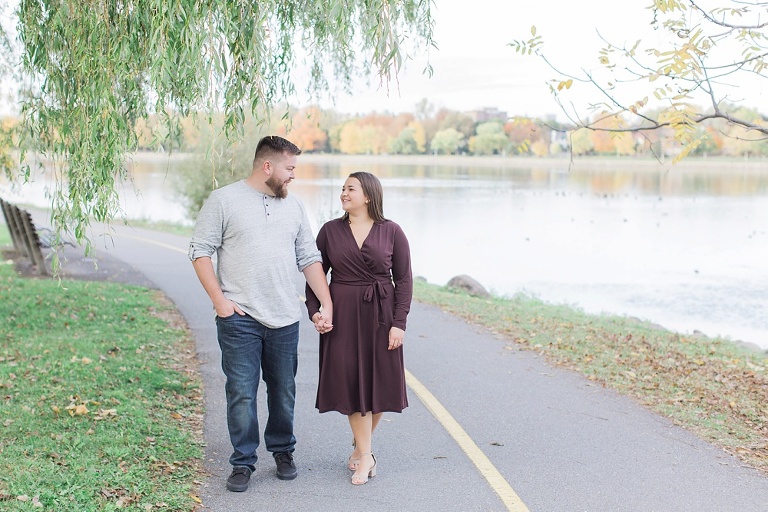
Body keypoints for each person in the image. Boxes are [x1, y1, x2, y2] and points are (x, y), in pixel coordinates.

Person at [189, 135, 333, 493]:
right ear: (267, 166)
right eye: (290, 168)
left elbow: (309, 258)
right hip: (239, 318)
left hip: (285, 317)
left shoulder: (295, 206)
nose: (293, 176)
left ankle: (283, 450)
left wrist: (326, 301)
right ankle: (243, 462)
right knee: (241, 391)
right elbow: (199, 251)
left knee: (283, 391)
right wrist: (220, 302)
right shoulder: (224, 200)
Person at [305, 171, 413, 485]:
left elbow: (404, 281)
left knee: (382, 385)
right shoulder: (329, 231)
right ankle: (366, 456)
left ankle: (360, 447)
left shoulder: (392, 231)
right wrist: (316, 312)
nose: (343, 193)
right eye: (342, 188)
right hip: (343, 317)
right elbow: (315, 276)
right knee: (352, 384)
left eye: (350, 188)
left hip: (382, 316)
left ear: (368, 195)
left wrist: (399, 324)